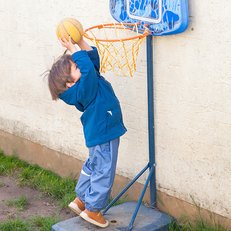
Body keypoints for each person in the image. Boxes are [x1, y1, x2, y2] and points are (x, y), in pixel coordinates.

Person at [47, 36, 127, 228]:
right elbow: (88, 68)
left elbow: (92, 61)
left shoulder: (87, 82)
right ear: (69, 84)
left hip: (98, 133)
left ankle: (82, 199)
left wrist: (81, 41)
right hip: (104, 133)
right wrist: (73, 48)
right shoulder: (84, 89)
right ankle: (93, 209)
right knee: (103, 170)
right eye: (76, 68)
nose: (81, 67)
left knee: (93, 165)